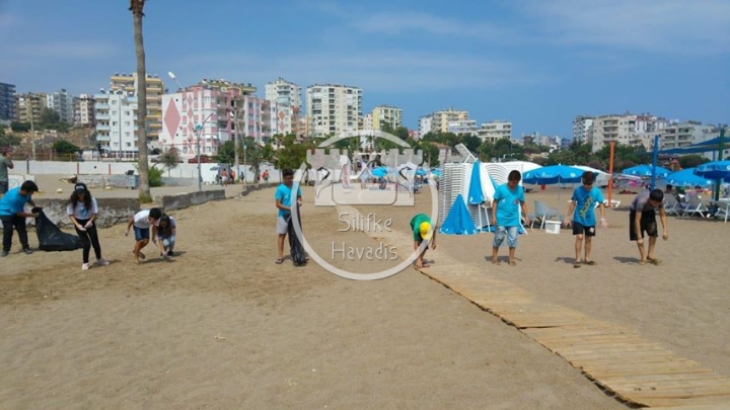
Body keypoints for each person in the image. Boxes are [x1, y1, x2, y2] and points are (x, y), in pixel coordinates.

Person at [563, 172, 607, 268]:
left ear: (592, 182)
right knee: (579, 237)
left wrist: (603, 218)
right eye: (585, 183)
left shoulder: (596, 191)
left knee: (589, 238)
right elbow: (573, 203)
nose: (586, 185)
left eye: (589, 183)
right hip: (578, 218)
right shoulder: (578, 190)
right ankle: (578, 259)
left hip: (590, 219)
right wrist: (568, 216)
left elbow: (601, 204)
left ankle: (587, 258)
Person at [66, 182, 109, 270]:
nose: (80, 195)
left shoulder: (91, 200)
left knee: (95, 242)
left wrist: (90, 221)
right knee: (86, 244)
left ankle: (99, 258)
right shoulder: (72, 202)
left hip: (89, 221)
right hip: (78, 222)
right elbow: (71, 215)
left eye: (82, 193)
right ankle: (85, 262)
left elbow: (95, 213)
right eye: (79, 193)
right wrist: (78, 225)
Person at [491, 170, 530, 266]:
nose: (514, 184)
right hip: (501, 218)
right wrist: (493, 217)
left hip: (514, 219)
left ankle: (511, 259)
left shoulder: (520, 189)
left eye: (516, 182)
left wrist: (527, 216)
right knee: (499, 238)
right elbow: (495, 202)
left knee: (513, 239)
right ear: (509, 180)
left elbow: (522, 203)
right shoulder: (501, 189)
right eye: (513, 182)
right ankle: (495, 257)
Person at [0, 180, 40, 257]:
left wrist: (35, 205)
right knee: (8, 230)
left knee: (22, 229)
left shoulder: (26, 193)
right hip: (5, 212)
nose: (32, 194)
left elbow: (28, 199)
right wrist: (34, 215)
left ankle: (26, 247)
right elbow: (18, 213)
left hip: (18, 210)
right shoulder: (13, 197)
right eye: (31, 192)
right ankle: (6, 249)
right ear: (25, 190)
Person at [629, 189, 668, 265]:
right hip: (635, 212)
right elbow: (637, 220)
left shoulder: (659, 201)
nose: (656, 205)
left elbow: (662, 215)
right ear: (650, 199)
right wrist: (639, 238)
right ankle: (643, 257)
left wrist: (665, 230)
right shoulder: (642, 201)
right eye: (655, 203)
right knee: (638, 235)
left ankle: (650, 255)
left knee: (653, 232)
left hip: (649, 211)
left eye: (658, 203)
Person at [275, 169, 302, 264]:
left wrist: (299, 202)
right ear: (284, 178)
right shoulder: (280, 189)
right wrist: (289, 208)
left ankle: (297, 253)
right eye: (288, 178)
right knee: (282, 235)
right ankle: (280, 255)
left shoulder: (296, 186)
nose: (290, 180)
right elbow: (278, 204)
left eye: (291, 178)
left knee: (296, 236)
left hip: (294, 216)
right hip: (283, 216)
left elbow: (299, 197)